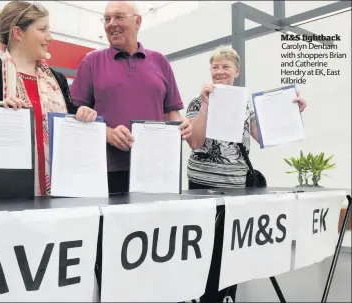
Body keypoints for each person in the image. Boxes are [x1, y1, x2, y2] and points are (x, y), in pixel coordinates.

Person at [184, 46, 307, 303]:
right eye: (215, 67)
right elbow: (195, 142)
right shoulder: (197, 102)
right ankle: (199, 294)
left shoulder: (247, 106)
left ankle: (226, 296)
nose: (219, 71)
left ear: (236, 71)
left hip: (236, 186)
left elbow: (265, 136)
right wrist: (207, 104)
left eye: (225, 67)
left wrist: (294, 113)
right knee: (202, 246)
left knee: (230, 247)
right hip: (201, 184)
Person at [0, 1, 97, 196]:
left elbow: (66, 125)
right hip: (6, 199)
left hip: (58, 196)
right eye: (43, 29)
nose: (49, 37)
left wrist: (82, 116)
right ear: (18, 33)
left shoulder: (57, 80)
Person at [70, 1, 192, 194]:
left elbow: (171, 112)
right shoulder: (91, 62)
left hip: (155, 168)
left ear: (138, 22)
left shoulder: (160, 61)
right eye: (107, 18)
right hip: (107, 170)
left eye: (119, 17)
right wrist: (107, 133)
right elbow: (75, 115)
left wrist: (181, 124)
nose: (111, 23)